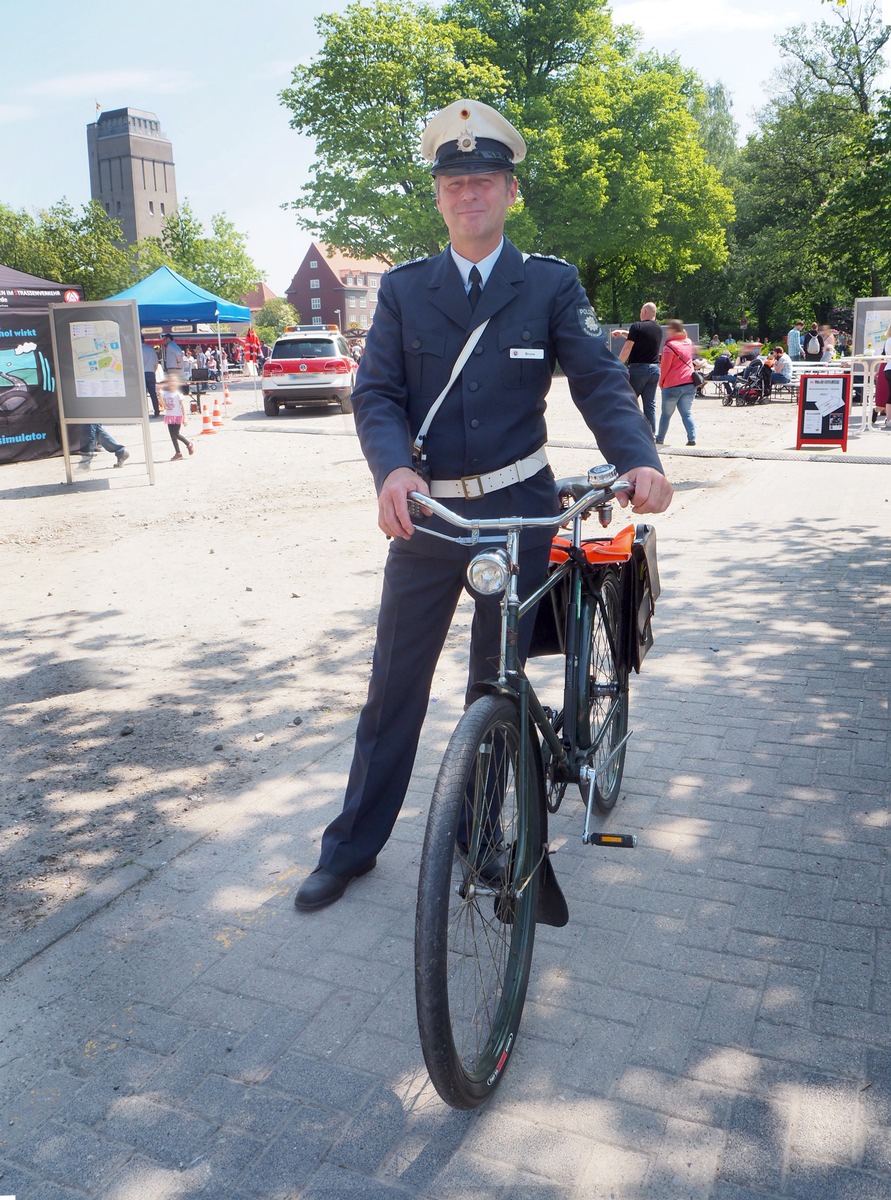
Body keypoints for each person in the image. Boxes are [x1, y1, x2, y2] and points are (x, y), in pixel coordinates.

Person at [293, 98, 673, 913]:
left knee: (491, 685)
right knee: (393, 687)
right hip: (430, 520)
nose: (470, 195)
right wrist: (391, 472)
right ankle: (353, 845)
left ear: (510, 193)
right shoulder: (403, 290)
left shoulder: (548, 284)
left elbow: (600, 384)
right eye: (455, 183)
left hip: (518, 512)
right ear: (438, 197)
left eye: (485, 182)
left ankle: (479, 831)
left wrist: (640, 459)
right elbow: (379, 396)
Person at [610, 302, 662, 433]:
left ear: (643, 312)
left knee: (629, 401)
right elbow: (640, 337)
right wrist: (623, 332)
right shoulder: (658, 329)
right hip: (654, 370)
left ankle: (628, 432)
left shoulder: (636, 326)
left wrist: (618, 364)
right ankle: (650, 435)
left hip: (638, 369)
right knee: (650, 405)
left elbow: (628, 347)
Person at [655, 319, 696, 446]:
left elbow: (665, 367)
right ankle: (692, 438)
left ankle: (660, 438)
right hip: (689, 382)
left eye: (669, 328)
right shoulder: (688, 342)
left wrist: (661, 382)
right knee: (686, 413)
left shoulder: (668, 347)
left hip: (672, 384)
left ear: (672, 330)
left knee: (666, 415)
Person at [159, 372, 195, 460]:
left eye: (173, 381)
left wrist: (185, 418)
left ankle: (188, 444)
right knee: (172, 436)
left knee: (176, 434)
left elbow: (182, 406)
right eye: (170, 381)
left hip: (177, 416)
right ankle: (178, 453)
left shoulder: (178, 393)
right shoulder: (165, 393)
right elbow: (165, 406)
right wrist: (160, 397)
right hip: (169, 416)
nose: (171, 383)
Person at [141, 336, 161, 417]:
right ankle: (156, 411)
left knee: (142, 394)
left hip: (142, 373)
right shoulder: (151, 349)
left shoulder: (138, 350)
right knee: (153, 393)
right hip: (151, 372)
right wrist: (154, 371)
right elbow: (156, 362)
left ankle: (144, 411)